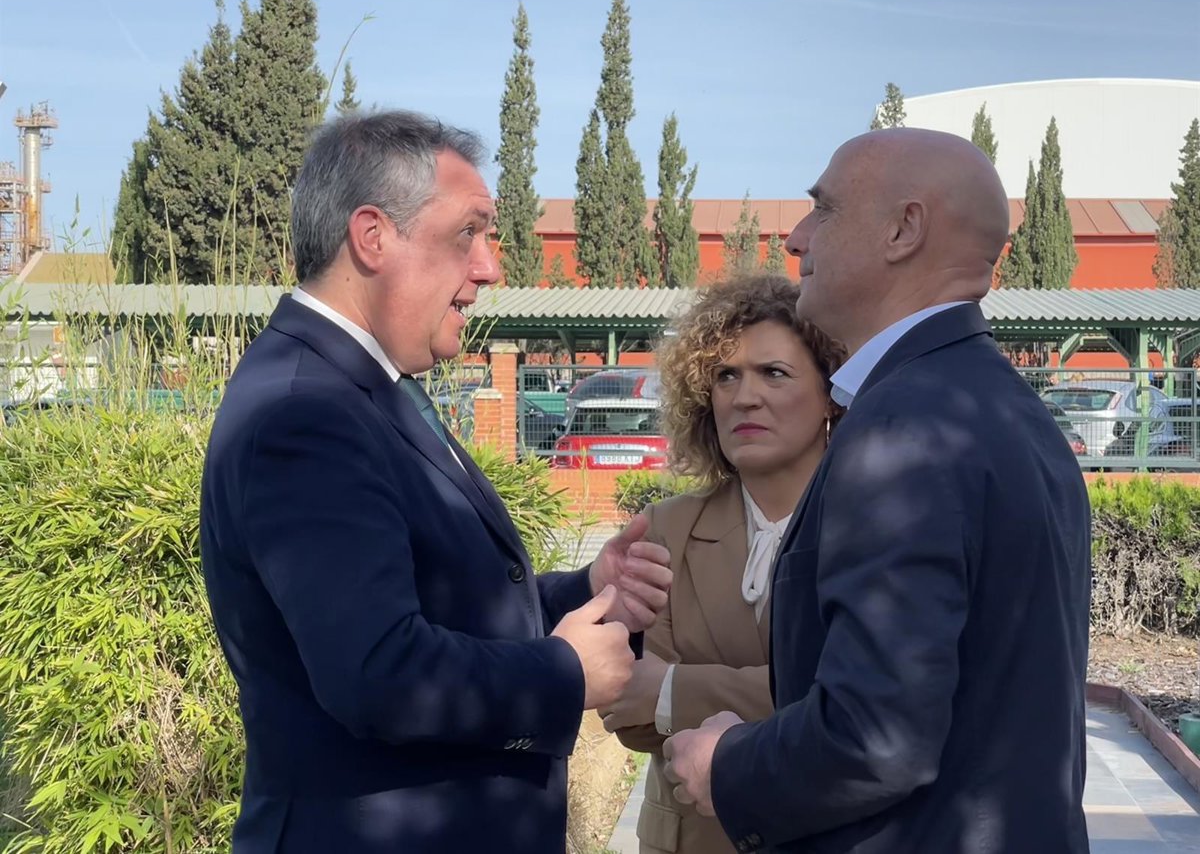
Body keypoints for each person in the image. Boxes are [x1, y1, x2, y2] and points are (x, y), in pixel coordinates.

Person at [199, 110, 672, 854]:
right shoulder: (306, 414)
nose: (489, 268)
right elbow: (377, 671)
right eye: (467, 233)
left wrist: (587, 589)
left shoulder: (360, 387)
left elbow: (441, 603)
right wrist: (562, 672)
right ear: (372, 237)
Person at [663, 128, 1092, 854]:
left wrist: (726, 765)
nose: (797, 238)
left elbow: (876, 735)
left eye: (823, 209)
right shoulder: (1006, 409)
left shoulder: (904, 427)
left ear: (904, 229)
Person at [602, 274, 845, 854]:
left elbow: (861, 707)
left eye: (774, 373)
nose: (744, 396)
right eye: (725, 376)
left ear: (831, 394)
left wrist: (672, 690)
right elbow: (627, 708)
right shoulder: (665, 528)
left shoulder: (873, 526)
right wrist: (781, 700)